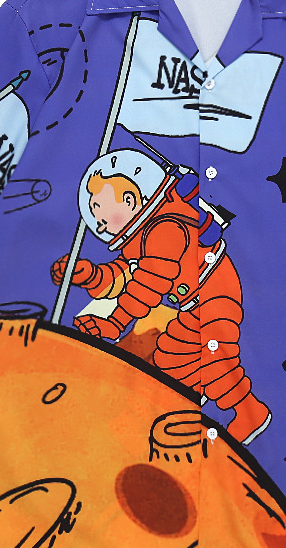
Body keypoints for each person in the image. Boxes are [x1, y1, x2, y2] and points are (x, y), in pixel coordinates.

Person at [51, 167, 272, 445]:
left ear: (129, 201)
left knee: (214, 352)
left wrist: (115, 323)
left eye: (101, 213)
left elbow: (150, 282)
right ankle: (184, 408)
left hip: (215, 292)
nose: (100, 224)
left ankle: (250, 413)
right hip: (194, 305)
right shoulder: (142, 237)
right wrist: (89, 275)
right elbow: (123, 276)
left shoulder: (166, 227)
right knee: (171, 358)